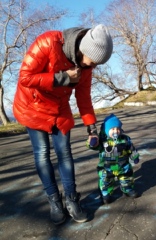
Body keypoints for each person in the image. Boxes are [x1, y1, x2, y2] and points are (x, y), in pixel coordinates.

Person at [13, 24, 113, 225]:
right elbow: (25, 77)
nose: (92, 67)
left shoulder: (85, 67)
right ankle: (54, 201)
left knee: (65, 153)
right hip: (32, 106)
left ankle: (71, 199)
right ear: (82, 50)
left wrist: (91, 128)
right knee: (42, 153)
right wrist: (64, 78)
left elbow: (83, 98)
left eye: (96, 65)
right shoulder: (48, 42)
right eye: (92, 62)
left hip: (59, 109)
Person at [87, 114, 140, 204]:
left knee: (126, 178)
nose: (116, 131)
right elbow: (94, 147)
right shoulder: (102, 141)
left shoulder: (125, 139)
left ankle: (127, 189)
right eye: (112, 129)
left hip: (123, 165)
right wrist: (92, 143)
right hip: (107, 167)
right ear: (107, 130)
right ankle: (105, 194)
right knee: (106, 181)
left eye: (118, 129)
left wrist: (135, 157)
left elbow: (131, 148)